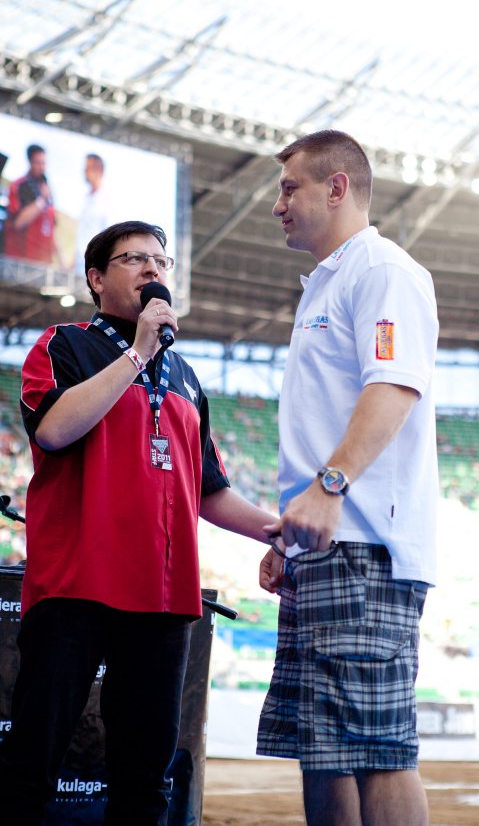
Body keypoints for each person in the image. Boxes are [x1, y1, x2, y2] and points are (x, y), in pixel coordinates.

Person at [0, 220, 278, 825]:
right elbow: (54, 429)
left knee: (145, 780)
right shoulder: (63, 344)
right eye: (134, 259)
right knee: (31, 765)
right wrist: (137, 353)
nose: (153, 269)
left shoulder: (187, 378)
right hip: (75, 588)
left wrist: (279, 532)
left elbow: (210, 491)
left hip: (162, 599)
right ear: (97, 279)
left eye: (160, 260)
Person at [257, 130, 439, 826]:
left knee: (377, 749)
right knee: (323, 750)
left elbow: (393, 387)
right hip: (324, 547)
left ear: (337, 188)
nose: (278, 204)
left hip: (366, 546)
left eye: (289, 187)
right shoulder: (325, 285)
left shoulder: (382, 271)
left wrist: (329, 488)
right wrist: (291, 537)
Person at [5, 144, 58, 264]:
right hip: (20, 259)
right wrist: (41, 200)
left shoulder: (46, 187)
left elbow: (51, 227)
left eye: (44, 163)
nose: (42, 167)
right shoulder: (19, 186)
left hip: (42, 261)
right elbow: (18, 223)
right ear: (30, 162)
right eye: (38, 163)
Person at [75, 153, 111, 275]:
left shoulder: (106, 202)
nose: (84, 171)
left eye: (87, 168)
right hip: (79, 267)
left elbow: (109, 240)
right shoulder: (87, 198)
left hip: (94, 268)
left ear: (98, 170)